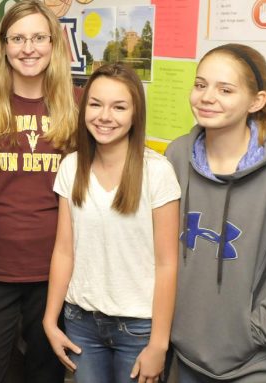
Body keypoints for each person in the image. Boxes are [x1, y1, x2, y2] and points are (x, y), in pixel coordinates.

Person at [165, 43, 266, 382]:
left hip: (254, 367)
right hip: (183, 357)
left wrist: (255, 332)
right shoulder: (176, 155)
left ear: (256, 101)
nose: (207, 97)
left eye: (225, 89)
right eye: (200, 84)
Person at [42, 63, 179, 383]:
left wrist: (158, 344)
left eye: (119, 107)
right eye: (95, 104)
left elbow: (167, 263)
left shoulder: (157, 171)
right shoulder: (71, 166)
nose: (105, 116)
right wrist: (50, 320)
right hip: (81, 323)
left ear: (135, 114)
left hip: (139, 328)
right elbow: (64, 251)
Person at [0, 1, 81, 382]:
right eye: (17, 38)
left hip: (55, 269)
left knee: (46, 375)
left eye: (38, 38)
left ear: (55, 43)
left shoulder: (78, 105)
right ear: (3, 45)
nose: (28, 48)